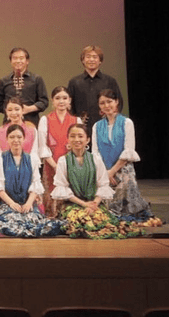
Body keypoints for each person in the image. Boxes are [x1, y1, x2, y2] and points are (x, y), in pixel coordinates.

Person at [52, 124, 143, 239]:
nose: (76, 139)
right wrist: (84, 204)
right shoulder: (63, 161)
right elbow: (63, 188)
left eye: (80, 136)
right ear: (68, 139)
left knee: (100, 221)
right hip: (73, 204)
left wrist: (94, 204)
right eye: (73, 136)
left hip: (94, 203)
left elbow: (103, 184)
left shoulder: (96, 159)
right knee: (80, 221)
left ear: (87, 140)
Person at [0, 124, 64, 237]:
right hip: (7, 203)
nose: (16, 140)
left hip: (27, 202)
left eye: (19, 137)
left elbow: (35, 183)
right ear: (7, 139)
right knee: (13, 221)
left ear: (24, 139)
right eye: (12, 137)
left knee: (33, 221)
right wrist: (12, 204)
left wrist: (28, 203)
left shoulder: (32, 159)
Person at [92, 89, 157, 224]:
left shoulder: (127, 123)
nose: (106, 105)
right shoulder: (96, 126)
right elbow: (95, 152)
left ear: (116, 102)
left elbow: (128, 151)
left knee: (126, 212)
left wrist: (112, 171)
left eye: (109, 101)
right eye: (102, 103)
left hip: (123, 169)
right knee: (103, 213)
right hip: (103, 171)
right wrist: (105, 173)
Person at [37, 86, 81, 216]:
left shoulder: (76, 120)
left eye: (64, 98)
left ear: (70, 100)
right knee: (51, 198)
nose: (61, 101)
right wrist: (56, 166)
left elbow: (79, 145)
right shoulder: (45, 120)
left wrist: (67, 167)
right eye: (57, 98)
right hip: (51, 165)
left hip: (72, 166)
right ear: (52, 101)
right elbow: (43, 147)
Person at [67, 45, 124, 134]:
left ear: (100, 60)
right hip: (82, 129)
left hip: (106, 126)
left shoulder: (110, 81)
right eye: (88, 57)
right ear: (83, 60)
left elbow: (118, 103)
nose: (91, 60)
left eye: (95, 57)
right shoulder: (74, 82)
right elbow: (69, 106)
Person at [0, 47, 48, 126]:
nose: (18, 61)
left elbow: (44, 102)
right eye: (15, 58)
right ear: (11, 61)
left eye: (21, 58)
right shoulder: (4, 81)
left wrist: (29, 109)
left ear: (27, 61)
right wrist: (11, 111)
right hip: (9, 123)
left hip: (31, 122)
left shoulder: (36, 79)